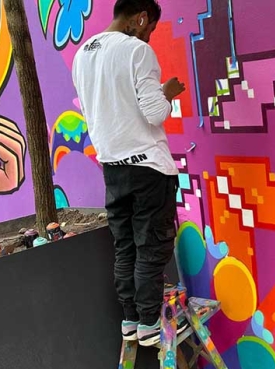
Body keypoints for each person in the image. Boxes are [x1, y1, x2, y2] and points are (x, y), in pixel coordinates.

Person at [72, 0, 186, 346]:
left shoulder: (83, 55)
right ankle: (151, 323)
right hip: (147, 167)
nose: (149, 36)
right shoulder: (136, 51)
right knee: (151, 246)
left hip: (113, 168)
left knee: (126, 247)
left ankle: (131, 319)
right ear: (141, 18)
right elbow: (154, 113)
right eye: (150, 28)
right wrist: (167, 93)